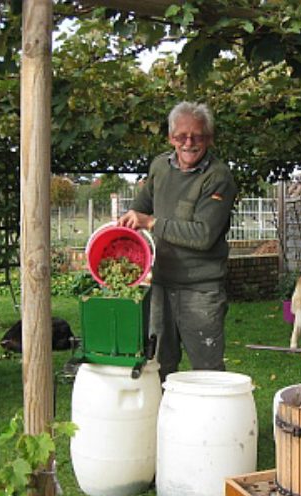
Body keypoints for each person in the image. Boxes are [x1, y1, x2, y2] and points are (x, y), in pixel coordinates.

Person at [118, 101, 238, 381]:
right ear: (171, 137)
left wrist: (151, 223)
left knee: (207, 370)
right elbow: (143, 204)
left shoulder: (218, 177)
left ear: (209, 138)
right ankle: (161, 422)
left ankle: (210, 424)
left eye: (197, 136)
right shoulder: (160, 166)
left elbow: (204, 235)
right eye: (181, 136)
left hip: (201, 290)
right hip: (160, 284)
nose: (189, 142)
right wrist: (130, 223)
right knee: (158, 364)